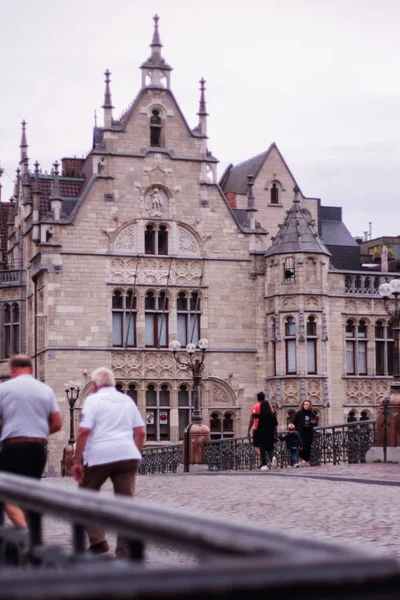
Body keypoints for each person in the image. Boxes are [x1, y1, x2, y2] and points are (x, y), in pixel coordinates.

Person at [71, 367, 145, 558]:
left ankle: (98, 541)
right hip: (127, 454)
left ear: (95, 385)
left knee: (86, 495)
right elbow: (140, 432)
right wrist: (135, 453)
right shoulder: (127, 400)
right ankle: (124, 551)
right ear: (113, 383)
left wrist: (77, 459)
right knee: (125, 504)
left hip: (99, 455)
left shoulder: (93, 400)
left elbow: (84, 432)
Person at [0, 354, 62, 528]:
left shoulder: (4, 389)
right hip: (38, 447)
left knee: (6, 493)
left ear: (12, 369)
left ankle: (25, 533)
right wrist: (39, 432)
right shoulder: (45, 390)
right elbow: (57, 424)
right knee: (30, 493)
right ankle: (30, 538)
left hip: (13, 446)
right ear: (32, 369)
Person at [247, 392, 278, 471]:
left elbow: (251, 420)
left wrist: (248, 430)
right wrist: (275, 433)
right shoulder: (269, 407)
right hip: (269, 431)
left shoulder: (255, 407)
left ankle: (263, 461)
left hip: (258, 429)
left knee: (257, 447)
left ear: (257, 398)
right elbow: (274, 423)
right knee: (269, 447)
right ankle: (272, 458)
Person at [293, 400, 317, 465]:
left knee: (308, 446)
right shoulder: (299, 413)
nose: (306, 406)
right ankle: (301, 460)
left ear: (310, 405)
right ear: (303, 405)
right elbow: (295, 422)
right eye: (305, 404)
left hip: (309, 432)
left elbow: (315, 423)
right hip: (301, 432)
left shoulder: (312, 413)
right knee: (301, 446)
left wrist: (314, 423)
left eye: (307, 404)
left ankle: (306, 460)